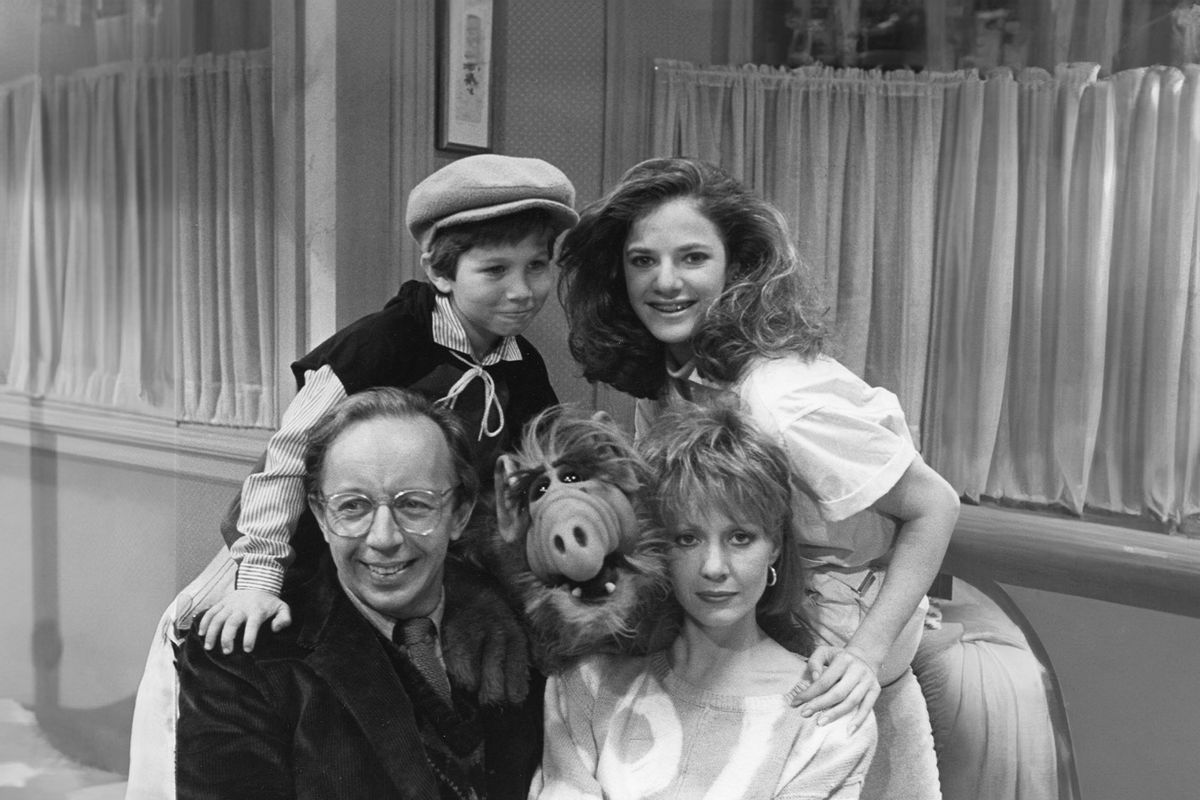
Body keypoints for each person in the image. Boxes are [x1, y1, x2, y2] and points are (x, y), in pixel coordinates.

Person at [556, 157, 960, 797]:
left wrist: (866, 656)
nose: (664, 282)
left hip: (834, 650)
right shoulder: (670, 376)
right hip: (744, 616)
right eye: (642, 261)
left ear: (737, 268)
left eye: (692, 258)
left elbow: (936, 505)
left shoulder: (780, 399)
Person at [198, 154, 578, 655]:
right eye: (494, 270)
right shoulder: (379, 343)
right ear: (441, 272)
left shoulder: (522, 364)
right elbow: (287, 457)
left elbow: (539, 468)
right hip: (311, 558)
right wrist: (260, 580)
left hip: (421, 573)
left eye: (537, 267)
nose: (522, 291)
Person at [176, 387, 541, 800]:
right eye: (353, 506)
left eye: (414, 505)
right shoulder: (243, 657)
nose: (383, 538)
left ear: (459, 513)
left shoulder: (522, 624)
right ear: (319, 513)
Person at [531, 402, 877, 799]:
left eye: (740, 537)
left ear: (776, 547)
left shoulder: (827, 716)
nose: (714, 567)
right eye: (687, 539)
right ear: (657, 547)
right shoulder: (588, 682)